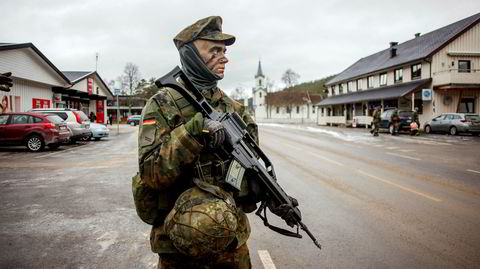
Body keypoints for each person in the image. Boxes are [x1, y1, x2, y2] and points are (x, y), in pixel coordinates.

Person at [132, 16, 282, 269]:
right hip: (179, 247)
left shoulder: (235, 110)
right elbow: (151, 174)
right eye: (214, 50)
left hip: (230, 246)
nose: (224, 58)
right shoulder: (163, 103)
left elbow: (249, 169)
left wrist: (269, 194)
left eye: (224, 51)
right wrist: (193, 132)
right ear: (190, 54)